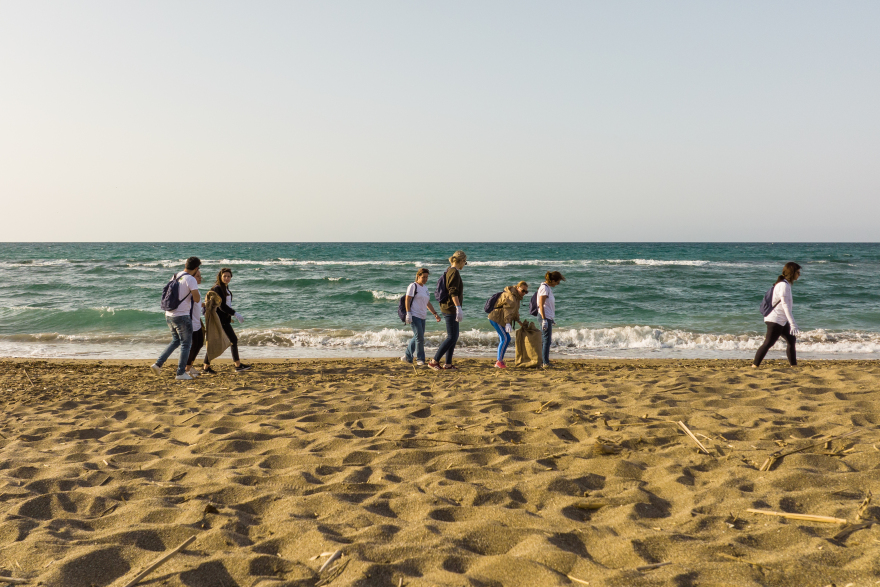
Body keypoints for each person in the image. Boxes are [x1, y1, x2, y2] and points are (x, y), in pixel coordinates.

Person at [151, 256, 201, 380]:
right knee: (186, 344)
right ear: (196, 268)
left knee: (176, 341)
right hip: (182, 316)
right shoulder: (191, 279)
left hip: (169, 314)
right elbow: (197, 299)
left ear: (185, 265)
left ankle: (158, 364)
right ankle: (180, 373)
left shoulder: (175, 275)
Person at [202, 267, 251, 373]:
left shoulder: (225, 288)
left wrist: (231, 315)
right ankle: (237, 365)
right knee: (233, 340)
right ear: (220, 276)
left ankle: (206, 367)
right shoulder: (217, 288)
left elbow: (226, 305)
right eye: (224, 276)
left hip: (224, 319)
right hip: (220, 320)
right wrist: (235, 313)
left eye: (229, 276)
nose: (227, 278)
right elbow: (222, 306)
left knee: (224, 341)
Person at [753, 262, 802, 368]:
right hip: (775, 319)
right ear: (792, 273)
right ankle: (754, 366)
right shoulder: (783, 285)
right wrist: (792, 323)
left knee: (791, 340)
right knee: (768, 343)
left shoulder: (785, 284)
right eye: (798, 272)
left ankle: (794, 366)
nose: (799, 275)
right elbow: (785, 305)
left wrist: (790, 322)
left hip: (781, 319)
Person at [428, 250, 467, 370]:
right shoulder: (454, 272)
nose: (464, 264)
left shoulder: (449, 270)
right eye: (465, 262)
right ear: (461, 260)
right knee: (452, 337)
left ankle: (448, 364)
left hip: (448, 307)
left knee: (454, 336)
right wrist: (458, 307)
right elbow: (453, 292)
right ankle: (434, 361)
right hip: (450, 308)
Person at [402, 268, 442, 366]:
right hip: (414, 315)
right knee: (419, 338)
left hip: (423, 316)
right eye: (423, 277)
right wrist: (408, 313)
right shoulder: (413, 286)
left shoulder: (425, 288)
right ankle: (420, 359)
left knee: (418, 336)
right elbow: (407, 299)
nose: (425, 279)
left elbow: (427, 303)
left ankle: (407, 355)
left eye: (427, 277)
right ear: (418, 276)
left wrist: (435, 314)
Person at [487, 281, 529, 368]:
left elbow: (514, 312)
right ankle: (499, 362)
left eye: (526, 292)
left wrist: (519, 321)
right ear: (517, 288)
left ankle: (500, 360)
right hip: (496, 318)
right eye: (523, 291)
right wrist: (507, 323)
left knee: (507, 338)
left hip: (500, 319)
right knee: (505, 339)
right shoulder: (511, 297)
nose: (524, 293)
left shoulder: (516, 297)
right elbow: (508, 311)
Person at [537, 271, 565, 369]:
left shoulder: (547, 288)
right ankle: (545, 362)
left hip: (548, 317)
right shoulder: (544, 288)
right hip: (544, 317)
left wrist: (551, 319)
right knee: (546, 340)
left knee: (546, 340)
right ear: (553, 281)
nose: (558, 284)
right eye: (557, 282)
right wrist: (544, 319)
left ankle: (544, 361)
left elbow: (548, 305)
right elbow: (541, 305)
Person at [184, 267, 205, 378]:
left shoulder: (196, 290)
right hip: (191, 321)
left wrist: (204, 304)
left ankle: (189, 366)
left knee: (199, 343)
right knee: (194, 344)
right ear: (192, 278)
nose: (200, 278)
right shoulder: (191, 290)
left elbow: (197, 303)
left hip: (197, 320)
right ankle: (187, 368)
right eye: (197, 276)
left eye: (200, 276)